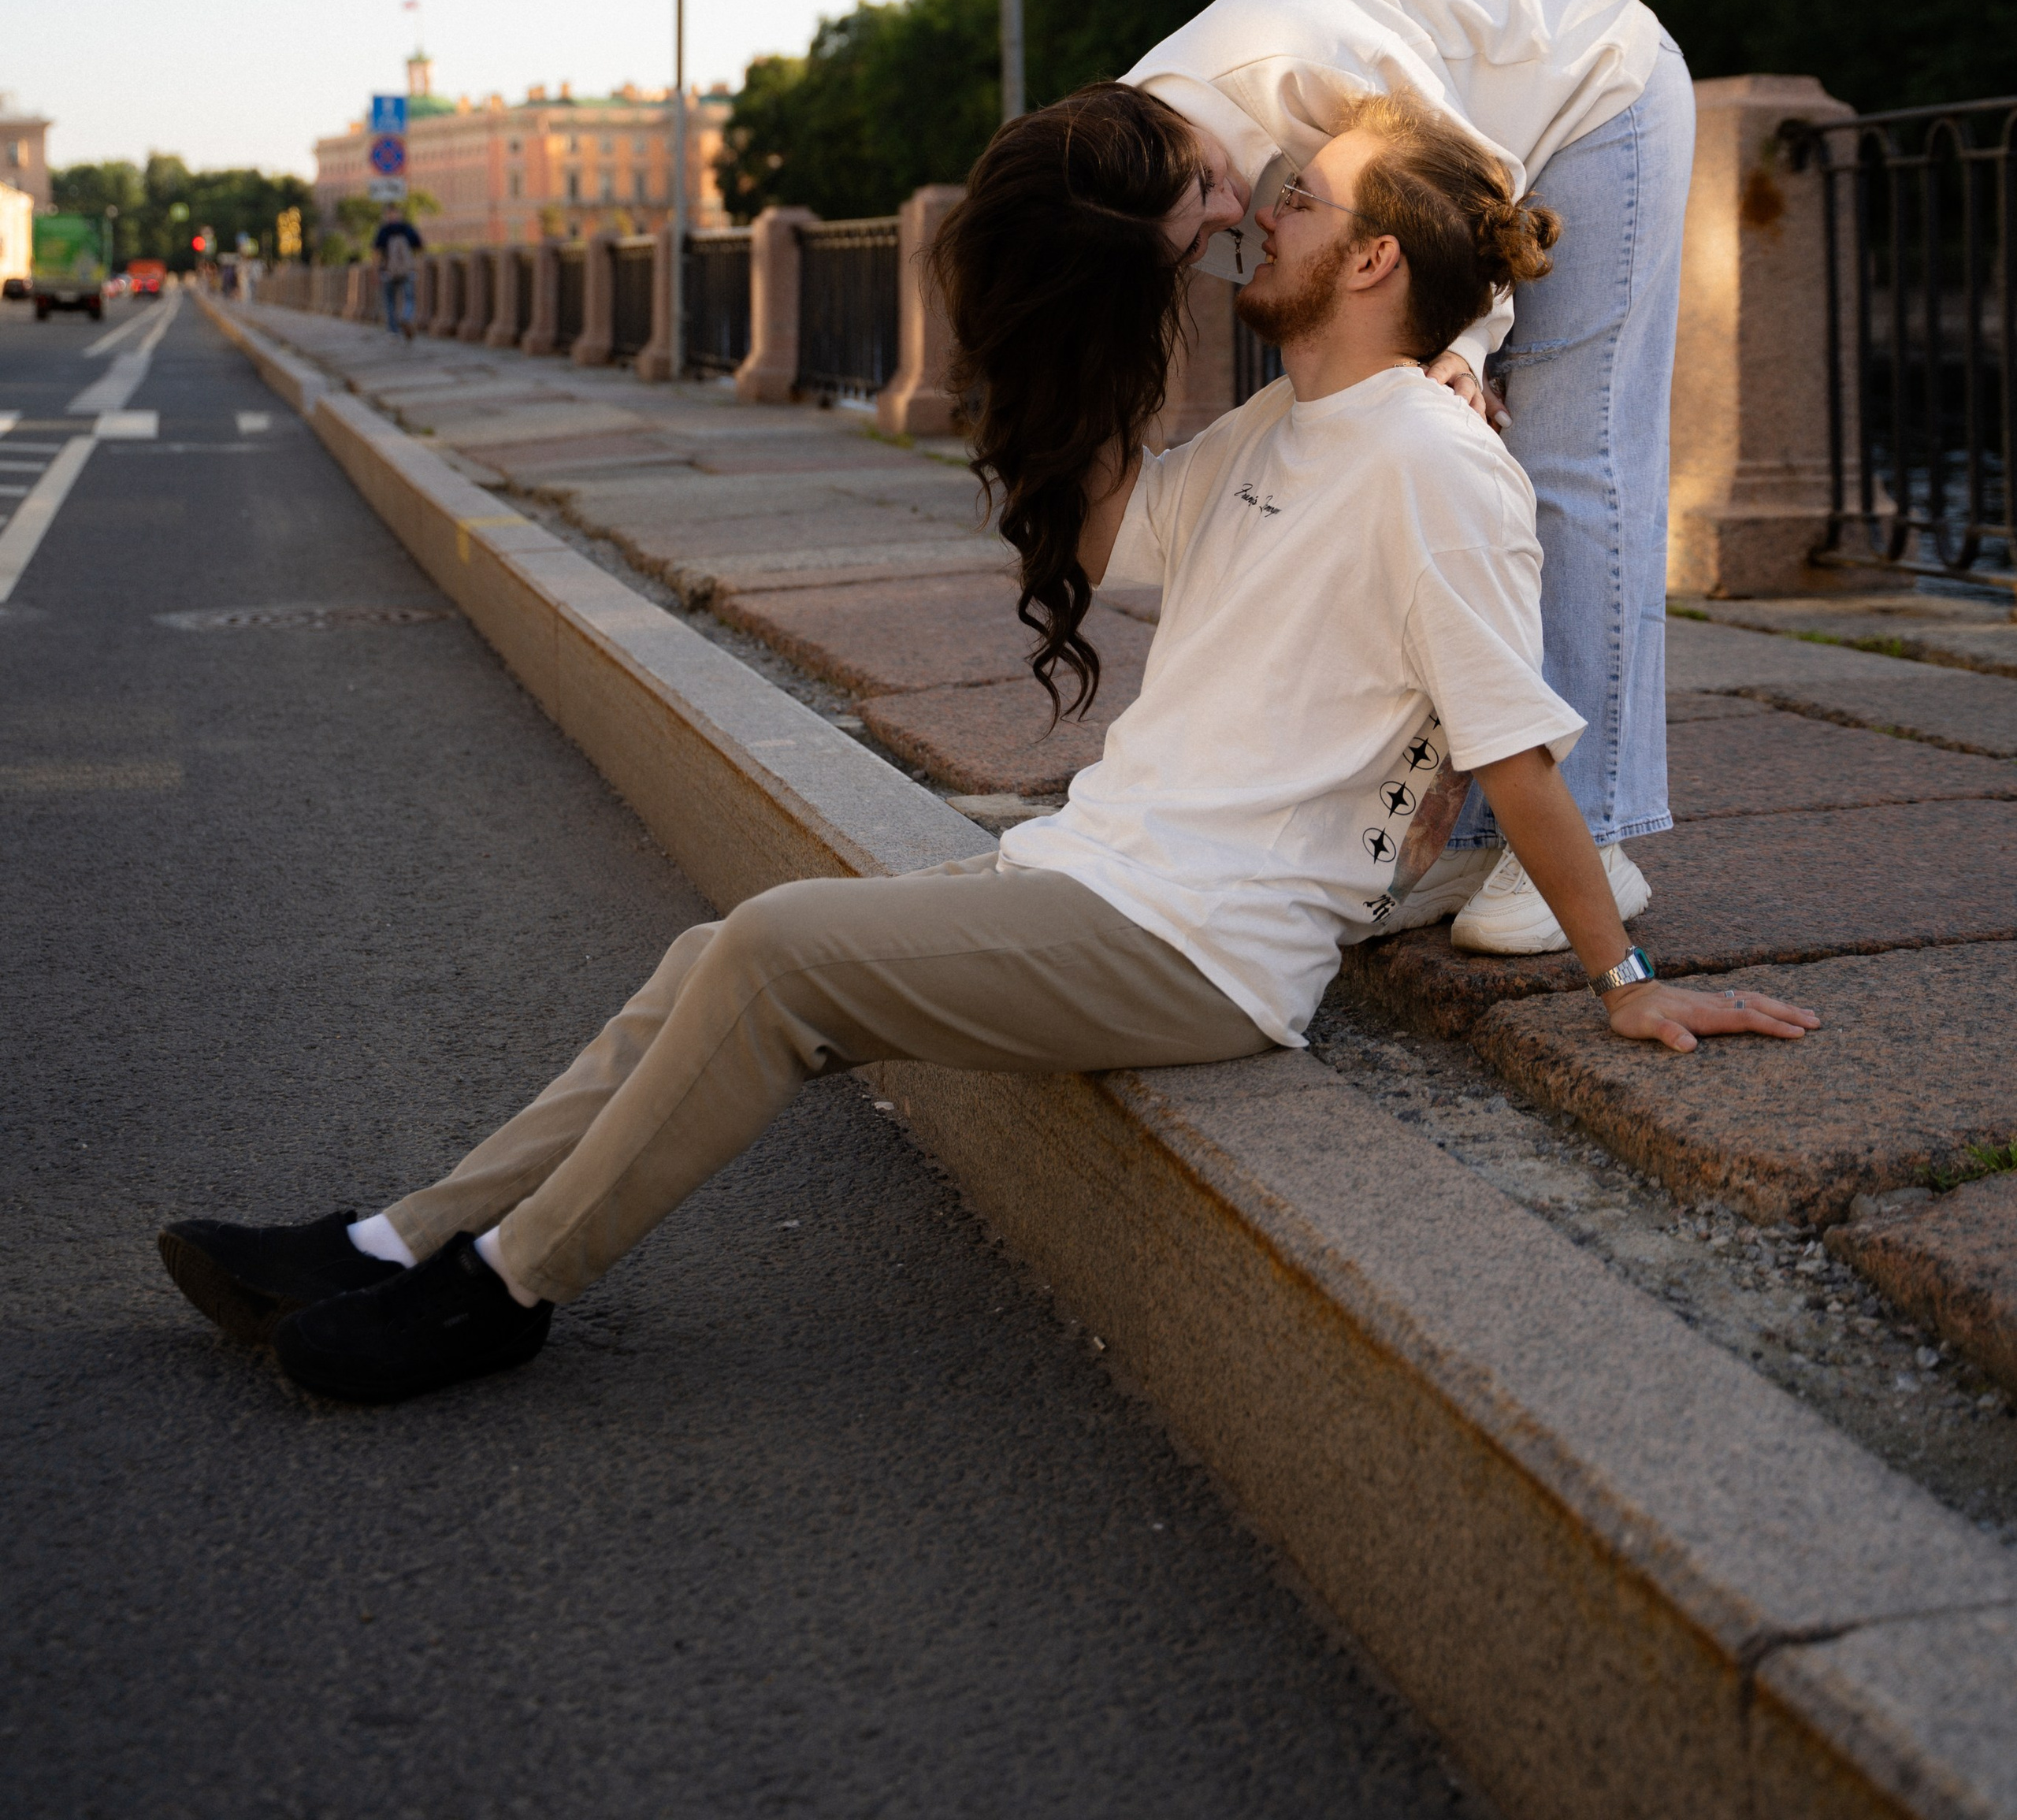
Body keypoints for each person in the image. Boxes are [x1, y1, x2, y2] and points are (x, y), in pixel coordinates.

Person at [157, 96, 1817, 1407]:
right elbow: (1099, 529)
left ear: (1376, 262)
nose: (1259, 206)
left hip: (1206, 948)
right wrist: (1120, 265)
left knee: (777, 953)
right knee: (711, 954)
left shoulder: (1438, 468)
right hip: (1107, 879)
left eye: (1299, 199)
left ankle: (503, 1292)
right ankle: (393, 1238)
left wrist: (1623, 976)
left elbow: (1513, 750)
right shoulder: (1274, 431)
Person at [938, 0, 1691, 957]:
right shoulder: (1131, 172)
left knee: (1564, 459)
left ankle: (1592, 834)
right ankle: (1471, 838)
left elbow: (1470, 187)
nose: (1230, 220)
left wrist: (1462, 354)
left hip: (1594, 87)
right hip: (1470, 154)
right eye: (1194, 243)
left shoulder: (1296, 58)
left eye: (1210, 189)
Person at [372, 208, 425, 340]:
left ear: (387, 216)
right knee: (409, 298)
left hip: (388, 272)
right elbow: (420, 247)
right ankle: (406, 317)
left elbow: (376, 252)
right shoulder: (407, 229)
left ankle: (393, 331)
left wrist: (376, 271)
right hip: (407, 271)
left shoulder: (384, 230)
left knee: (390, 301)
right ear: (399, 215)